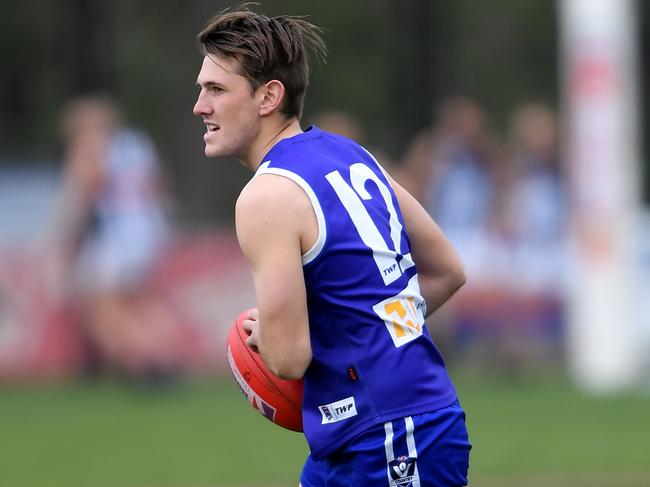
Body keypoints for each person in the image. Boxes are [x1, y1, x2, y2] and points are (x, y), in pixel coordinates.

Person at [193, 7, 470, 486]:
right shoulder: (350, 154)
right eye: (202, 88)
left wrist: (266, 341)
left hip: (388, 436)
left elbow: (288, 358)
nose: (200, 105)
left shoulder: (266, 196)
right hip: (379, 429)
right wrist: (382, 332)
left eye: (216, 89)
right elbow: (447, 270)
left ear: (268, 97)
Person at [53, 95, 181, 380]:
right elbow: (159, 186)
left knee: (103, 303)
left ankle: (142, 365)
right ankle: (166, 356)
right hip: (150, 228)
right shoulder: (137, 143)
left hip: (118, 234)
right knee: (142, 300)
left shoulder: (91, 146)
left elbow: (85, 191)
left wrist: (66, 236)